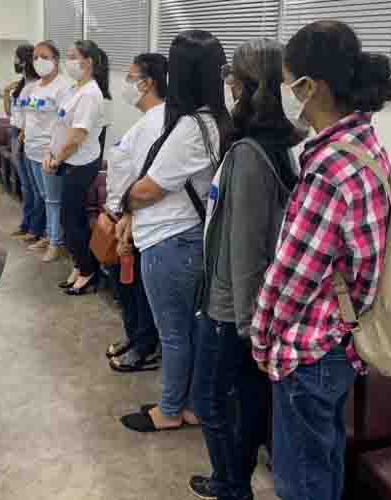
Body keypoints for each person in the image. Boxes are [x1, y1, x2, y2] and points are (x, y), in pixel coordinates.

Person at [251, 20, 391, 500]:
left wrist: (260, 338)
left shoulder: (329, 167)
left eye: (290, 81)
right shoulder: (367, 145)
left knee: (300, 481)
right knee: (325, 460)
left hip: (308, 348)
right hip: (343, 337)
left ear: (310, 87)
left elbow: (291, 277)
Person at [188, 38, 302, 500]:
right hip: (242, 306)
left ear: (241, 83)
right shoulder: (272, 146)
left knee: (212, 402)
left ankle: (232, 485)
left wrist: (245, 325)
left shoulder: (251, 155)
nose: (226, 83)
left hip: (232, 310)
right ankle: (232, 477)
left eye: (230, 75)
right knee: (244, 400)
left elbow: (248, 248)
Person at [117, 30, 232, 432]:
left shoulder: (190, 127)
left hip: (170, 241)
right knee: (191, 333)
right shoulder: (218, 120)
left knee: (174, 335)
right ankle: (191, 405)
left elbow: (148, 189)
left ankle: (169, 411)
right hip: (191, 240)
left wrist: (123, 203)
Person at [105, 53, 168, 373]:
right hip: (122, 217)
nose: (126, 84)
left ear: (147, 83)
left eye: (131, 78)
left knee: (139, 290)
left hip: (136, 220)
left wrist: (128, 217)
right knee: (126, 287)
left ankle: (145, 347)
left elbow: (147, 180)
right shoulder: (146, 121)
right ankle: (135, 337)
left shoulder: (157, 123)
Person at [45, 39, 110, 291]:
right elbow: (60, 125)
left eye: (73, 57)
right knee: (73, 218)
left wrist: (57, 159)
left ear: (88, 62)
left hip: (80, 163)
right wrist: (49, 154)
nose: (68, 62)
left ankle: (87, 270)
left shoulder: (91, 94)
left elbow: (78, 136)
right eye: (68, 56)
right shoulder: (75, 89)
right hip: (67, 160)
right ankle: (80, 264)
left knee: (71, 220)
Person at [21, 40, 72, 262]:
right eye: (35, 57)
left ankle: (56, 243)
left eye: (44, 57)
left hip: (48, 151)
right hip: (31, 148)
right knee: (43, 196)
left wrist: (53, 151)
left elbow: (64, 123)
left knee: (53, 199)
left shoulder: (63, 87)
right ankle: (49, 235)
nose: (39, 61)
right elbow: (27, 116)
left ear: (56, 60)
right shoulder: (34, 87)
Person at [7, 44, 45, 242]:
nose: (14, 61)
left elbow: (32, 118)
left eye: (16, 58)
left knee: (33, 187)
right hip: (15, 132)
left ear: (24, 61)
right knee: (25, 185)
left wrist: (21, 138)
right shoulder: (23, 84)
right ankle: (27, 224)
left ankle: (35, 229)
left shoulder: (36, 86)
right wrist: (6, 93)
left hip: (25, 136)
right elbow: (11, 113)